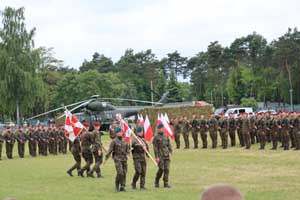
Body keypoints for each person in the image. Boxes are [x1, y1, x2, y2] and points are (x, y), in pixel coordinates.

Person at [105, 127, 130, 192]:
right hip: (117, 159)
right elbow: (110, 150)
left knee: (124, 173)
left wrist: (128, 154)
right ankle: (117, 186)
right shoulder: (114, 141)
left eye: (121, 132)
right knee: (120, 172)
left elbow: (128, 149)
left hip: (124, 159)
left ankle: (122, 186)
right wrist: (106, 157)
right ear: (116, 133)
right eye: (119, 132)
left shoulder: (124, 140)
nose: (120, 133)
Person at [153, 123, 172, 188]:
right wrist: (156, 157)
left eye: (163, 128)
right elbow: (155, 148)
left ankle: (166, 183)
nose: (162, 129)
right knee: (161, 169)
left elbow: (169, 145)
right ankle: (157, 180)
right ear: (158, 129)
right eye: (161, 129)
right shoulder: (156, 137)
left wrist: (170, 152)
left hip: (166, 155)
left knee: (167, 169)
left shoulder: (166, 136)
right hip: (160, 155)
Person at [131, 126, 149, 190]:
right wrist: (140, 145)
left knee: (143, 172)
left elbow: (146, 147)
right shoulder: (135, 139)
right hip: (137, 158)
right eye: (141, 132)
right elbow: (133, 144)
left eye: (142, 132)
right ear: (138, 132)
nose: (142, 133)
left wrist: (147, 154)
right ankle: (133, 183)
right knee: (138, 171)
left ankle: (142, 185)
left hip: (142, 157)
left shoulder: (143, 139)